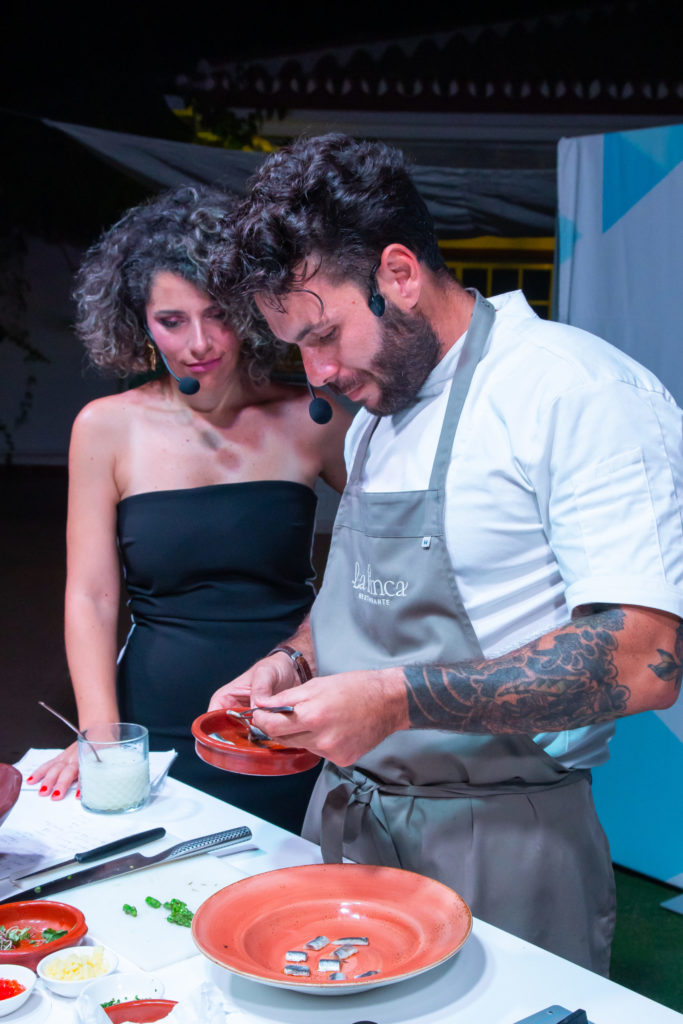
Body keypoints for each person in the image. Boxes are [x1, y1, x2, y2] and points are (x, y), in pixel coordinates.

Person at [207, 134, 683, 973]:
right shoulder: (375, 418)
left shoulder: (572, 390)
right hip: (349, 825)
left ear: (398, 273)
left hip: (502, 838)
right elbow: (360, 595)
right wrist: (291, 661)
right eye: (297, 348)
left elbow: (646, 658)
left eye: (325, 335)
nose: (316, 373)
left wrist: (394, 701)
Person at [28, 184, 350, 832]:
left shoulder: (313, 418)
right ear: (139, 322)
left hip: (289, 714)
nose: (200, 342)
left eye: (218, 313)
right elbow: (91, 596)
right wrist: (102, 738)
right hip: (157, 723)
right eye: (172, 320)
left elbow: (389, 551)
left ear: (252, 307)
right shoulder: (106, 427)